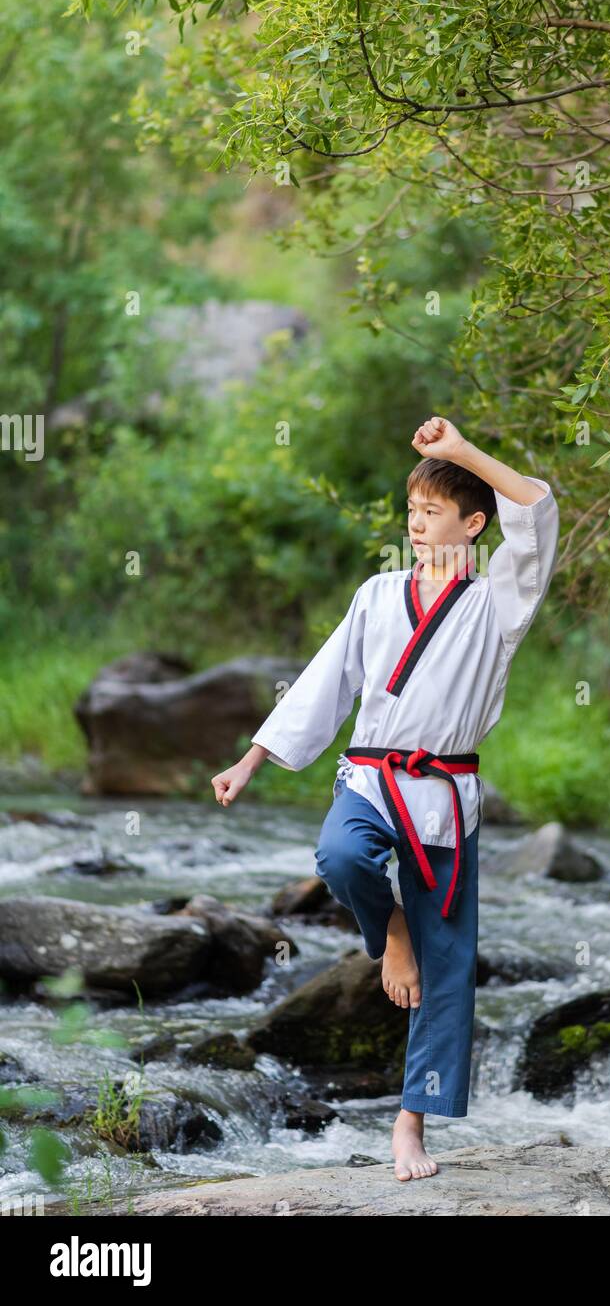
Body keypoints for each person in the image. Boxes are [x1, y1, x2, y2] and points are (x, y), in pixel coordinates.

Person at [211, 415, 559, 1182]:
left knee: (450, 965)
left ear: (472, 524)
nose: (416, 523)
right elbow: (322, 684)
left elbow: (534, 509)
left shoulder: (498, 603)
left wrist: (460, 452)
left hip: (443, 792)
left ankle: (411, 1126)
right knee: (340, 857)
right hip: (369, 776)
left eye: (432, 511)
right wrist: (252, 759)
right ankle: (389, 929)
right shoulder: (375, 593)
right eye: (411, 511)